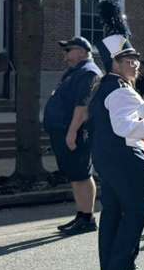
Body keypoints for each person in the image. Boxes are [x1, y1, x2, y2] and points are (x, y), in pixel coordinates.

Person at [88, 0, 144, 270]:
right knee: (136, 210)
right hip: (126, 159)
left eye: (135, 59)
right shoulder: (121, 91)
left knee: (113, 210)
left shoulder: (108, 87)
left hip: (109, 158)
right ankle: (122, 265)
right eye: (127, 60)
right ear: (114, 63)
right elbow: (127, 128)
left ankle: (110, 266)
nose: (134, 64)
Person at [43, 35, 102, 235]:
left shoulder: (88, 72)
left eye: (69, 50)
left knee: (82, 174)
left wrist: (71, 133)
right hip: (64, 131)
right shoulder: (74, 72)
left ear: (83, 52)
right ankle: (82, 214)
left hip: (76, 133)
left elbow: (82, 106)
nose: (65, 55)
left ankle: (88, 218)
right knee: (75, 176)